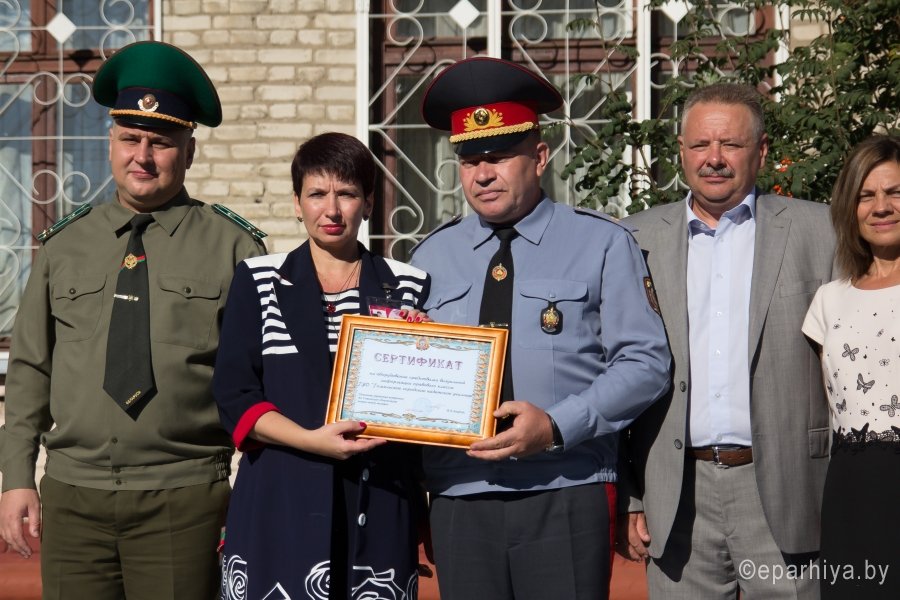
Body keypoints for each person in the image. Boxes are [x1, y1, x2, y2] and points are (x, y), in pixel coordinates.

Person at [0, 41, 266, 599]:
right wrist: (16, 477)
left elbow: (261, 381)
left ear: (189, 151)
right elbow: (29, 369)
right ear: (111, 142)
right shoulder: (64, 244)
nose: (142, 155)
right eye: (130, 138)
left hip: (184, 499)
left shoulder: (234, 249)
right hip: (73, 497)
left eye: (161, 142)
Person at [410, 56, 671, 600]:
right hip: (460, 493)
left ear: (540, 156)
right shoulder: (431, 256)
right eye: (469, 161)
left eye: (499, 157)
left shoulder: (601, 242)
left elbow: (646, 363)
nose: (483, 174)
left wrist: (554, 426)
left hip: (566, 486)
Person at [617, 82, 835, 599]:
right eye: (700, 144)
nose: (713, 158)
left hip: (787, 488)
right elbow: (614, 368)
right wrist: (631, 495)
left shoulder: (822, 230)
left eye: (731, 144)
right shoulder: (633, 239)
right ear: (681, 151)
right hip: (676, 494)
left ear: (761, 151)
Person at [213, 131, 431, 600]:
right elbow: (235, 395)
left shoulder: (409, 285)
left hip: (379, 496)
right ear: (297, 203)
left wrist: (427, 349)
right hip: (280, 496)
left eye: (347, 193)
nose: (331, 210)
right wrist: (312, 440)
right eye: (316, 194)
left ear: (368, 202)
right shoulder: (258, 279)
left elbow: (424, 405)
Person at [802, 134, 900, 598]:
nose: (881, 207)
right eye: (867, 195)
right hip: (851, 492)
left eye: (895, 192)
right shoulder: (829, 300)